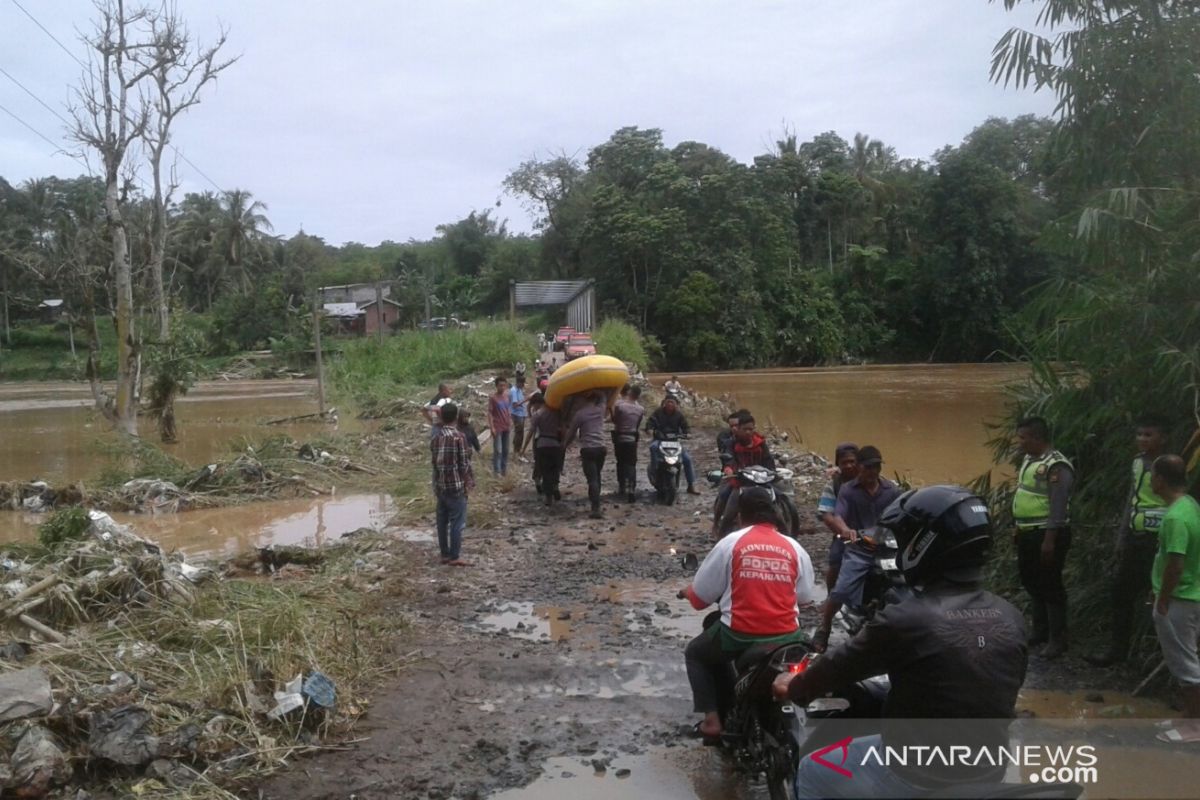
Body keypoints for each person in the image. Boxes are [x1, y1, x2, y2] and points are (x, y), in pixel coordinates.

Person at [774, 485, 1027, 798]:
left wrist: (793, 687)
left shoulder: (907, 619)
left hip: (917, 774)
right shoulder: (1011, 616)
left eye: (906, 538)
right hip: (989, 768)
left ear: (925, 544)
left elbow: (836, 668)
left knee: (813, 769)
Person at [680, 486, 815, 739]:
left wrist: (688, 592)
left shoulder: (731, 543)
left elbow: (699, 601)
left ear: (741, 515)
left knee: (696, 653)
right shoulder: (794, 547)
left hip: (739, 634)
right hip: (788, 636)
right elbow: (805, 598)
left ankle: (711, 722)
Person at [1087, 417, 1171, 666]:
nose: (1143, 439)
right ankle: (1118, 651)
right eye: (1140, 434)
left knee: (1161, 597)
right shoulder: (1136, 462)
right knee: (1121, 594)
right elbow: (1131, 500)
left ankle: (1163, 656)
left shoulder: (1172, 465)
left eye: (1149, 434)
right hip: (1135, 540)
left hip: (1160, 543)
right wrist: (1121, 539)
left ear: (1162, 438)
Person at [811, 445, 900, 653]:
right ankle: (824, 627)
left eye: (876, 467)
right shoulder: (847, 490)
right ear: (861, 467)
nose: (873, 471)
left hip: (885, 547)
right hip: (858, 547)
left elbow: (901, 513)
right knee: (841, 588)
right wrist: (846, 530)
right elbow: (837, 514)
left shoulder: (891, 490)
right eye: (868, 467)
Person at [1012, 416, 1074, 659]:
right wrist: (1017, 527)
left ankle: (1057, 639)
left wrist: (1050, 540)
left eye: (1023, 437)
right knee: (1031, 580)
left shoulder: (1057, 466)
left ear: (1037, 438)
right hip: (1028, 531)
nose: (1020, 442)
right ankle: (1040, 631)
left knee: (1050, 583)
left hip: (1048, 533)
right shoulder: (1029, 459)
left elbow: (1058, 506)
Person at [1150, 455, 1200, 744]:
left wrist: (1163, 598)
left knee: (1185, 665)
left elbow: (1176, 564)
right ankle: (1188, 716)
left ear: (1159, 480)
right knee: (1187, 658)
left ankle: (1195, 727)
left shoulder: (1175, 518)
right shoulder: (1190, 505)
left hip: (1179, 599)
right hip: (1191, 595)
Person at [815, 443, 860, 628]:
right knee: (836, 559)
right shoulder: (833, 485)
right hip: (844, 532)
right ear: (838, 464)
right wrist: (842, 531)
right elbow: (826, 514)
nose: (849, 465)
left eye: (852, 461)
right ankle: (830, 598)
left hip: (872, 533)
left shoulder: (869, 479)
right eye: (844, 462)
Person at [712, 411, 777, 536]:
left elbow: (768, 460)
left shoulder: (761, 443)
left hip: (761, 480)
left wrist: (772, 472)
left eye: (751, 429)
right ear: (738, 429)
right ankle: (718, 530)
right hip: (740, 481)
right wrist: (729, 469)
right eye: (745, 429)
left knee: (780, 499)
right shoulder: (731, 443)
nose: (748, 432)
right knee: (727, 506)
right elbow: (728, 459)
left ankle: (788, 535)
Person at [430, 403, 474, 567]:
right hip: (456, 486)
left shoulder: (436, 438)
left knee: (442, 521)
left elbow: (434, 464)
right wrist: (469, 482)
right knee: (457, 522)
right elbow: (464, 464)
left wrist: (435, 484)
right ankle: (455, 556)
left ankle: (445, 554)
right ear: (455, 417)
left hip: (441, 486)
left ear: (441, 417)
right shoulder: (459, 437)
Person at [565, 391, 608, 519]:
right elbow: (604, 396)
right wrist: (597, 389)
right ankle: (596, 504)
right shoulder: (601, 410)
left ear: (584, 400)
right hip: (601, 448)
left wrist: (564, 445)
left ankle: (595, 508)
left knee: (592, 479)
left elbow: (572, 433)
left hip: (588, 449)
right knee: (597, 476)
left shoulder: (580, 414)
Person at [646, 395, 700, 495]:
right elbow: (650, 423)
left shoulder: (679, 415)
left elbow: (686, 427)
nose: (670, 404)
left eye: (672, 402)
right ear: (664, 403)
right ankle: (654, 470)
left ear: (676, 405)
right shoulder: (658, 412)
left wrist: (687, 433)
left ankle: (691, 485)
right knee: (653, 447)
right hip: (660, 440)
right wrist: (650, 430)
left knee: (687, 459)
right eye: (668, 402)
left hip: (675, 442)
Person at [612, 384, 645, 503]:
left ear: (630, 393)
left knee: (620, 462)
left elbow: (615, 420)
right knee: (631, 464)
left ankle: (622, 486)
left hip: (620, 437)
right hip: (632, 439)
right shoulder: (641, 409)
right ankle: (631, 488)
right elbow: (637, 425)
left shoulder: (619, 406)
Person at [528, 397, 564, 506]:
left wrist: (524, 447)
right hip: (555, 444)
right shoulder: (557, 413)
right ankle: (555, 487)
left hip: (542, 445)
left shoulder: (537, 414)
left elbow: (531, 432)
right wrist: (565, 442)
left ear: (538, 403)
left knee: (545, 471)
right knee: (555, 469)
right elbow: (563, 428)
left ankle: (548, 497)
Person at [487, 376, 513, 477]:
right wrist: (491, 427)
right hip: (497, 426)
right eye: (500, 385)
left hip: (506, 426)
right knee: (498, 450)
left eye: (504, 385)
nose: (502, 387)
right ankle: (496, 471)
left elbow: (508, 409)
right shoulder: (493, 398)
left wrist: (510, 420)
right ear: (496, 386)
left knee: (506, 450)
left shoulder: (507, 396)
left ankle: (503, 470)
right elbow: (489, 412)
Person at [510, 375, 529, 457]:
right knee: (518, 432)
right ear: (519, 382)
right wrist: (526, 399)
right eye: (522, 383)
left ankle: (518, 448)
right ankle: (516, 450)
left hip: (521, 414)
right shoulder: (514, 390)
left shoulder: (519, 390)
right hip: (516, 414)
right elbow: (515, 404)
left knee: (520, 432)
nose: (523, 385)